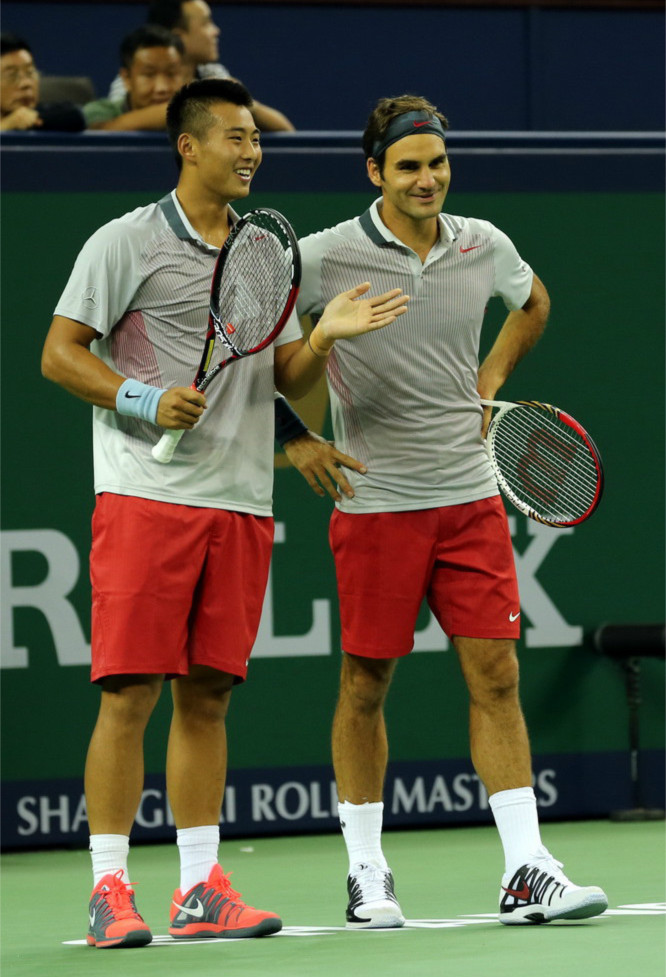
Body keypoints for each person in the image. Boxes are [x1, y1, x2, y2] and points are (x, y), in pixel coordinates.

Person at [40, 77, 408, 950]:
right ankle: (108, 887)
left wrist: (322, 339)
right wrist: (139, 397)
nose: (251, 151)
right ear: (188, 145)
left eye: (256, 138)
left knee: (208, 697)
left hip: (240, 499)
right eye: (236, 137)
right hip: (146, 495)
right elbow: (59, 355)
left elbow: (279, 376)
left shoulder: (263, 255)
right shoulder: (123, 241)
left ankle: (201, 884)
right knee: (129, 695)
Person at [296, 94, 609, 929]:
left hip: (469, 496)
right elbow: (271, 359)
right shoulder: (324, 256)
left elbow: (533, 301)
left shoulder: (482, 243)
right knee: (366, 683)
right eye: (408, 166)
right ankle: (367, 870)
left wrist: (491, 379)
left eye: (436, 163)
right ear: (375, 173)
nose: (427, 178)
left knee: (496, 675)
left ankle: (526, 868)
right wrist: (301, 422)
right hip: (376, 502)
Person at [107, 0, 294, 132]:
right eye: (206, 23)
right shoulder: (128, 81)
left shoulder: (212, 72)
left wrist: (243, 101)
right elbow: (115, 130)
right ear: (179, 36)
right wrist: (204, 99)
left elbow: (286, 130)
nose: (215, 31)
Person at [82, 25, 185, 131]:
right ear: (126, 78)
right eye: (149, 74)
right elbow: (100, 133)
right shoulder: (100, 111)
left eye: (171, 74)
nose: (162, 88)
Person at [0, 32, 85, 131]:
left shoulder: (37, 114)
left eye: (30, 72)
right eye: (12, 75)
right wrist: (4, 126)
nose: (26, 83)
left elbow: (76, 115)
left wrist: (28, 120)